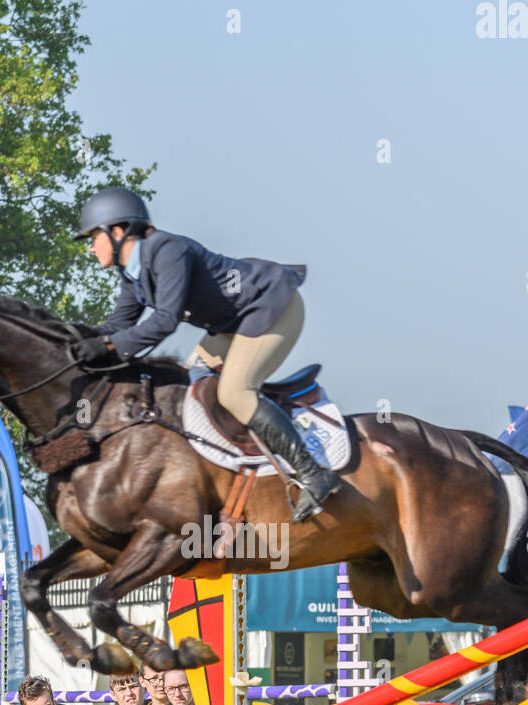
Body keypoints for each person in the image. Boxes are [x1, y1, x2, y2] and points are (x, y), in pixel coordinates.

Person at [72, 186, 340, 522]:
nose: (91, 247)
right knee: (188, 391)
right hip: (231, 323)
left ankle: (314, 474)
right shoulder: (132, 274)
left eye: (93, 237)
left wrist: (108, 347)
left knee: (234, 392)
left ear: (117, 231)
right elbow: (115, 326)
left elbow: (165, 320)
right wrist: (74, 341)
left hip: (273, 306)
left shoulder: (166, 250)